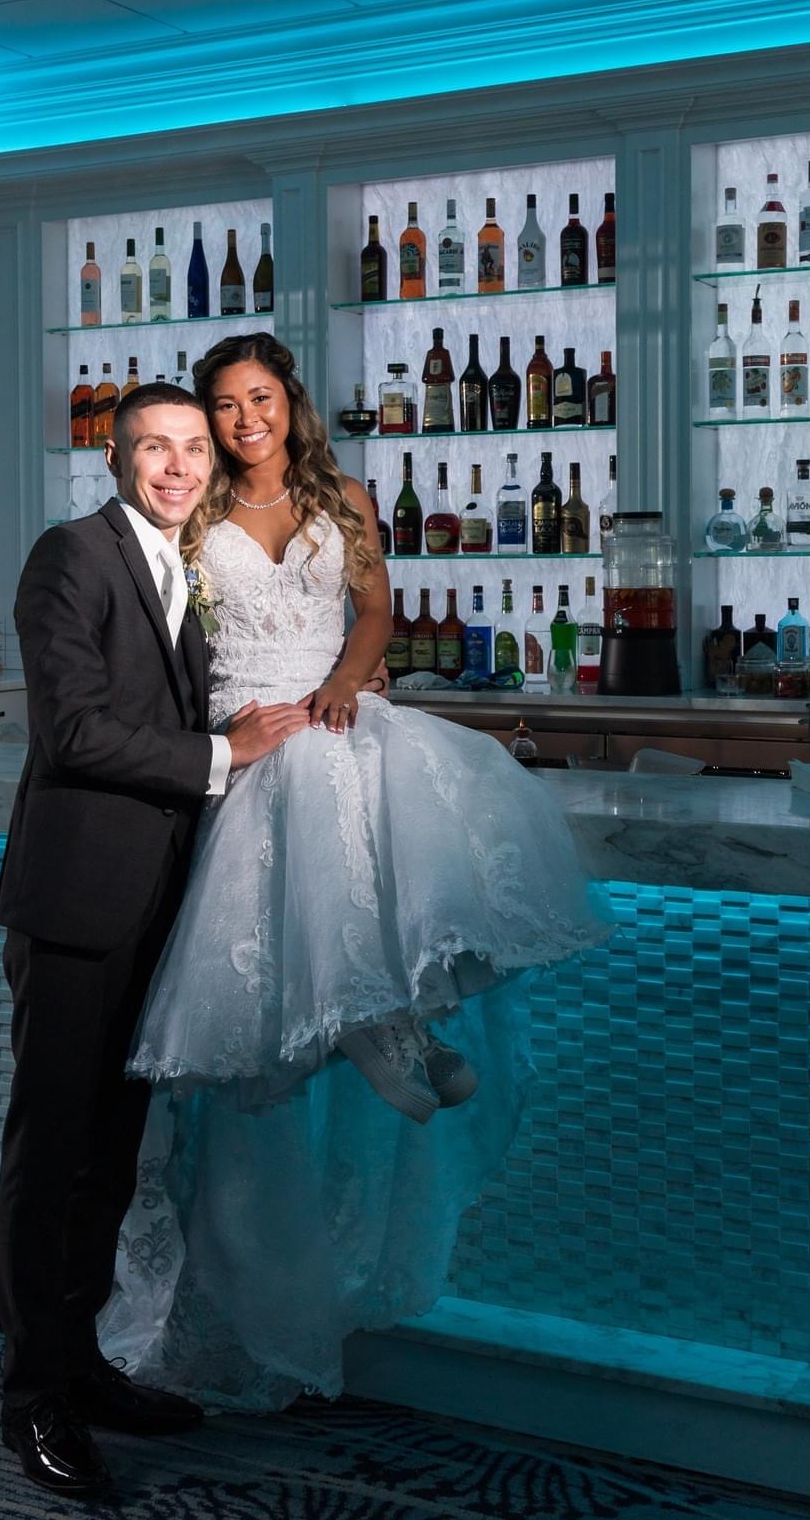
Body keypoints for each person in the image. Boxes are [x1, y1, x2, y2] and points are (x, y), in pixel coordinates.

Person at [102, 333, 612, 1408]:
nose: (244, 419)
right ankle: (387, 1032)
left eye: (260, 398)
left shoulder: (345, 498)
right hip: (246, 731)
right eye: (225, 405)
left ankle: (391, 1022)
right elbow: (161, 636)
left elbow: (375, 611)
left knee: (370, 810)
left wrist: (344, 679)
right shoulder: (190, 510)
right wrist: (213, 724)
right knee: (292, 808)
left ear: (290, 403)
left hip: (338, 707)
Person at [0, 381, 314, 1497]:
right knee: (49, 1156)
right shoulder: (70, 554)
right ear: (116, 453)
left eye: (192, 446)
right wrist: (227, 755)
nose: (176, 465)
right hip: (77, 903)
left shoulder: (192, 563)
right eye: (153, 447)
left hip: (156, 904)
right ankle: (30, 1397)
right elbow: (72, 729)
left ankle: (81, 1365)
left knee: (109, 1158)